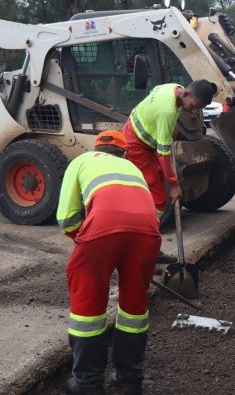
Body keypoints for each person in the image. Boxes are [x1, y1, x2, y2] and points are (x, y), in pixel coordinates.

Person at [57, 130, 161, 395]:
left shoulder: (82, 161)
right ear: (125, 153)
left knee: (87, 310)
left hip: (102, 230)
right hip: (149, 233)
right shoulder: (132, 168)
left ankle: (87, 384)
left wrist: (87, 241)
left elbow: (67, 218)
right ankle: (130, 380)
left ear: (96, 148)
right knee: (134, 310)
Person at [122, 79, 217, 218]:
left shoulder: (174, 87)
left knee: (161, 174)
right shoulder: (167, 112)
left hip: (141, 132)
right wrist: (174, 185)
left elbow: (154, 89)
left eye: (200, 109)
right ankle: (149, 226)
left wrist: (165, 128)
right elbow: (163, 154)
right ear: (186, 93)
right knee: (158, 197)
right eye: (194, 106)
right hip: (136, 143)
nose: (195, 112)